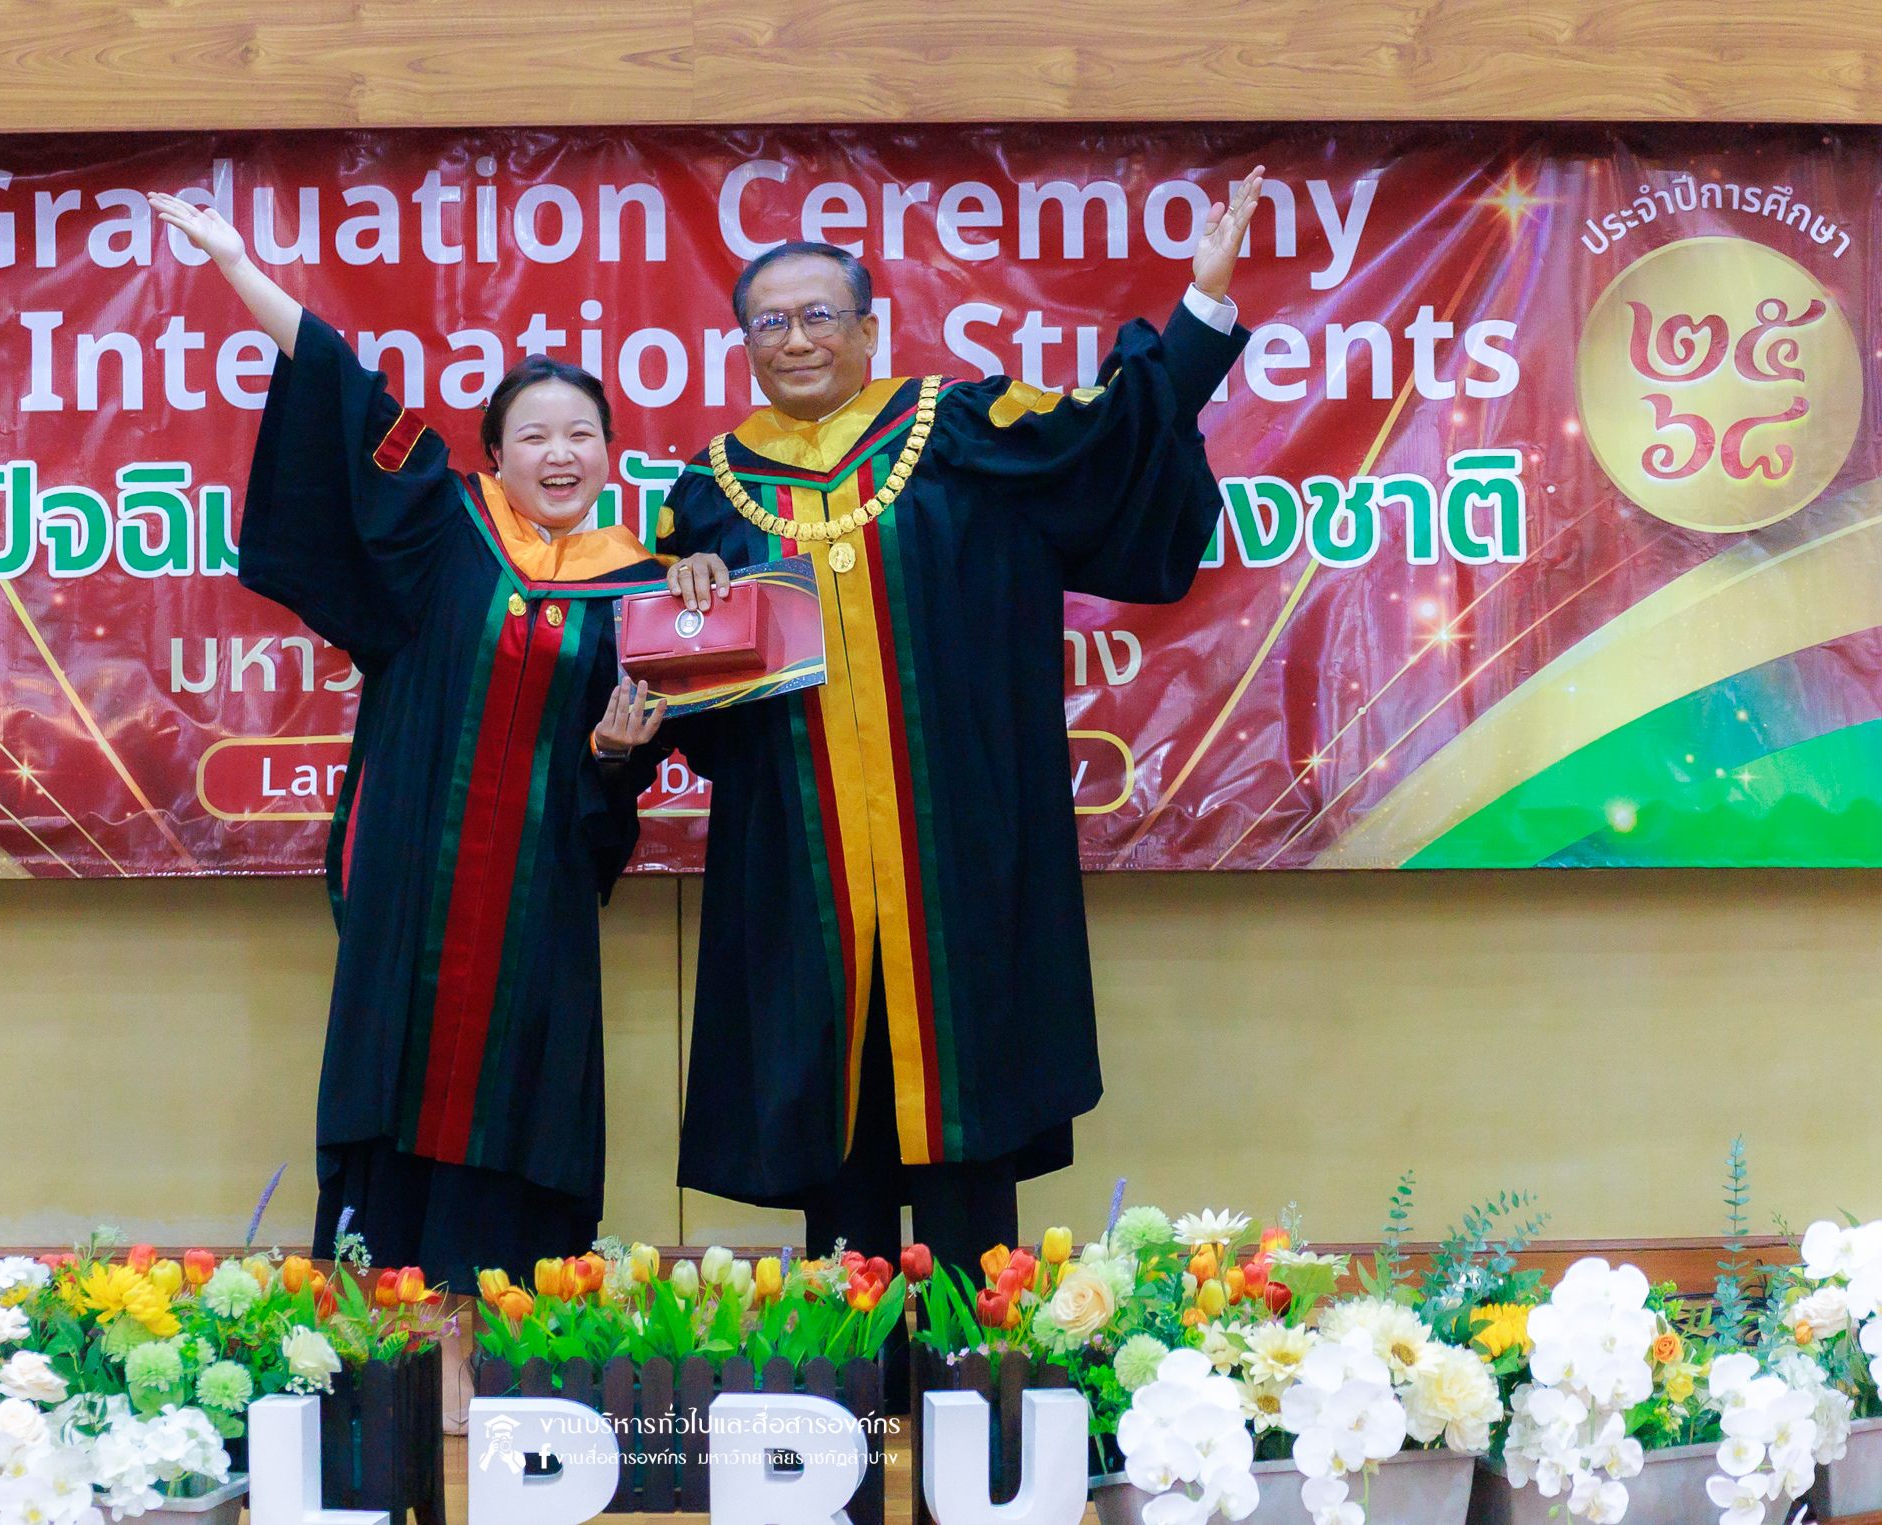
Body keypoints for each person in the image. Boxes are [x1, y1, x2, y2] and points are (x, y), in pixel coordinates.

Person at [655, 172, 1266, 1285]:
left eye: (819, 315)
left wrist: (1203, 302)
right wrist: (685, 603)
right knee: (835, 1145)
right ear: (744, 344)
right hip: (803, 872)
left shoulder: (962, 428)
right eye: (770, 324)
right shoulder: (707, 492)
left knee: (966, 1138)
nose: (796, 340)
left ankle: (973, 1386)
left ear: (868, 328)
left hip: (960, 858)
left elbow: (1114, 436)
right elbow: (691, 695)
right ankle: (848, 1384)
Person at [151, 192, 668, 1291]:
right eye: (534, 435)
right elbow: (346, 393)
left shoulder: (640, 588)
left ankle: (513, 1320)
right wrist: (239, 266)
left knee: (522, 1088)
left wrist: (617, 755)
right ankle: (379, 1334)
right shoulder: (447, 530)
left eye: (581, 433)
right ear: (496, 456)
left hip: (537, 900)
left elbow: (618, 786)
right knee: (395, 1073)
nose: (559, 453)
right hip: (412, 881)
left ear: (612, 453)